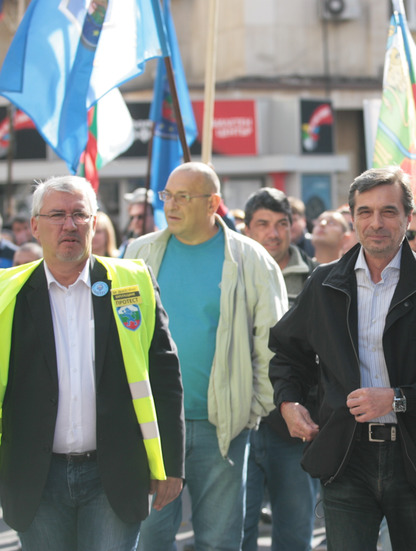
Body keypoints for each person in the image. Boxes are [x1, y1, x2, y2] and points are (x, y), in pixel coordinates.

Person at [0, 176, 185, 551]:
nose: (69, 225)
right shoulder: (6, 289)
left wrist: (171, 466)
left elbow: (164, 375)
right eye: (57, 215)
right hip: (36, 478)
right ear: (34, 226)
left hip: (114, 475)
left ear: (95, 223)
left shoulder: (132, 282)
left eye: (80, 215)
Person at [268, 167, 416, 551]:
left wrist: (399, 398)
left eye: (388, 212)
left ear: (407, 217)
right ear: (352, 218)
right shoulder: (324, 284)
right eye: (365, 212)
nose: (376, 223)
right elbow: (288, 352)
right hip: (346, 456)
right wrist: (288, 402)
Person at [124, 162, 287, 551]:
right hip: (153, 427)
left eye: (184, 196)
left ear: (213, 203)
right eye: (167, 195)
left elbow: (274, 344)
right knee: (149, 539)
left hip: (223, 430)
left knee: (219, 541)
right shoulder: (138, 252)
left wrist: (251, 410)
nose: (171, 205)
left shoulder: (252, 259)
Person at [241, 187, 319, 551]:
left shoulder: (318, 279)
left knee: (294, 530)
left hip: (296, 426)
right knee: (236, 530)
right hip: (241, 420)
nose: (273, 233)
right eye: (263, 224)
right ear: (247, 229)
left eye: (281, 224)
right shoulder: (231, 275)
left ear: (293, 226)